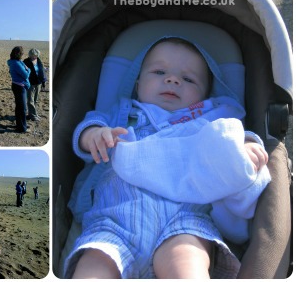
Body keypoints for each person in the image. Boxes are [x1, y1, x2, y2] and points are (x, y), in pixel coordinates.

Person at [65, 38, 270, 279]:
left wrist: (245, 145)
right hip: (115, 219)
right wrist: (93, 135)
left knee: (185, 261)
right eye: (159, 71)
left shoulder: (208, 120)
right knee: (95, 265)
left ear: (205, 95)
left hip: (184, 220)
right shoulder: (123, 113)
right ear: (138, 83)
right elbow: (87, 128)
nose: (172, 80)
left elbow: (227, 138)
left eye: (189, 79)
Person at [7, 46, 31, 133]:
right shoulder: (16, 63)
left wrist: (26, 69)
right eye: (22, 53)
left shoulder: (17, 62)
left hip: (18, 85)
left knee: (20, 107)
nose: (23, 54)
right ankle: (21, 128)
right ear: (18, 54)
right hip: (19, 87)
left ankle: (21, 125)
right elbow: (26, 75)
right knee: (22, 108)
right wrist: (29, 70)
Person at [23, 48, 47, 121]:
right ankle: (33, 116)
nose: (34, 57)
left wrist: (43, 82)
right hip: (30, 83)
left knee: (35, 100)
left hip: (38, 83)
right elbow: (23, 73)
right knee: (30, 100)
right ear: (30, 55)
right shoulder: (26, 62)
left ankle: (33, 114)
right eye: (33, 56)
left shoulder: (39, 61)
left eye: (36, 55)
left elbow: (42, 72)